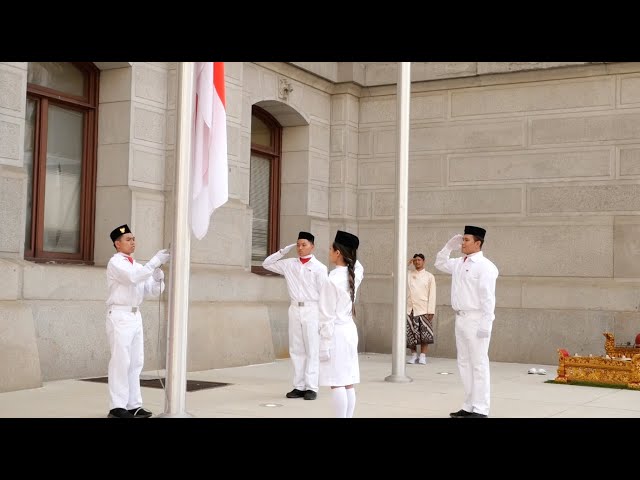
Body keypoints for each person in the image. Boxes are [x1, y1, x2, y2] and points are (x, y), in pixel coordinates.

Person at [105, 224, 170, 418]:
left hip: (135, 315)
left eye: (133, 239)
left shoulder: (137, 265)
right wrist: (155, 261)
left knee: (136, 362)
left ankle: (133, 404)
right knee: (121, 361)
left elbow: (152, 291)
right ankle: (117, 406)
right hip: (120, 314)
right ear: (117, 244)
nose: (132, 242)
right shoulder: (116, 262)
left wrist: (158, 278)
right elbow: (133, 278)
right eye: (128, 239)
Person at [434, 225, 499, 419]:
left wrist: (487, 323)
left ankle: (481, 408)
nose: (462, 243)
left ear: (478, 243)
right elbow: (439, 263)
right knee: (464, 363)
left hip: (476, 319)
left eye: (466, 240)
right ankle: (469, 405)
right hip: (461, 318)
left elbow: (488, 297)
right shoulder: (459, 262)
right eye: (462, 240)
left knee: (479, 364)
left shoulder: (486, 266)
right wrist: (448, 247)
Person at [262, 231, 328, 400]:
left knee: (312, 349)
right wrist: (284, 250)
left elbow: (324, 295)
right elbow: (266, 264)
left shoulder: (320, 268)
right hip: (294, 309)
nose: (300, 248)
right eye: (298, 244)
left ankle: (311, 387)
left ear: (312, 246)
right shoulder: (289, 264)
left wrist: (324, 319)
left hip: (312, 309)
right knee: (296, 348)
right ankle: (299, 386)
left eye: (304, 245)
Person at [318, 230, 364, 418]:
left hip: (336, 333)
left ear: (338, 253)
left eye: (331, 248)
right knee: (348, 382)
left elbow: (326, 315)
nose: (329, 251)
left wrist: (324, 344)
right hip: (349, 331)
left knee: (337, 382)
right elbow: (359, 265)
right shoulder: (354, 273)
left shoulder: (332, 279)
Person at [406, 253, 437, 365]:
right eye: (415, 260)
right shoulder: (408, 274)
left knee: (425, 334)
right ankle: (414, 355)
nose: (417, 262)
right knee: (411, 334)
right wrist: (406, 264)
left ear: (423, 261)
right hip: (410, 308)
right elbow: (397, 275)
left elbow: (432, 294)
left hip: (423, 308)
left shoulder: (429, 276)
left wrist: (431, 310)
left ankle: (423, 356)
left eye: (419, 260)